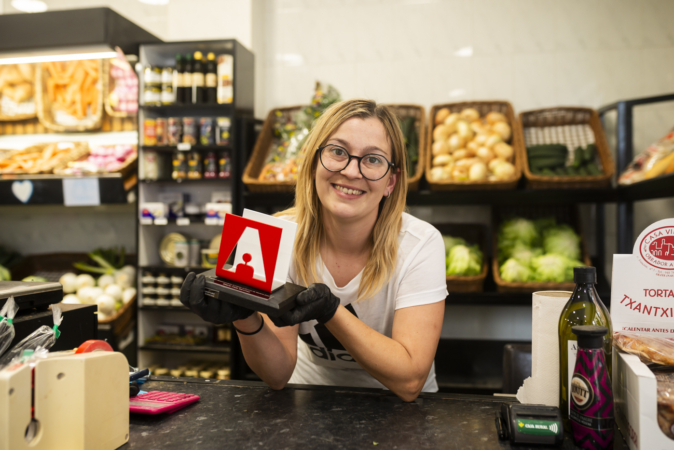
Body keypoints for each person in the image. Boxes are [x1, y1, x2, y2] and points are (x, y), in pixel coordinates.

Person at [181, 99, 447, 402]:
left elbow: (410, 381)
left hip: (400, 411)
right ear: (313, 161)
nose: (351, 171)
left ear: (390, 181)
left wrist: (331, 311)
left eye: (373, 159)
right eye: (337, 151)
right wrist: (245, 317)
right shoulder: (272, 236)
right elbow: (277, 375)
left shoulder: (420, 243)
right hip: (311, 400)